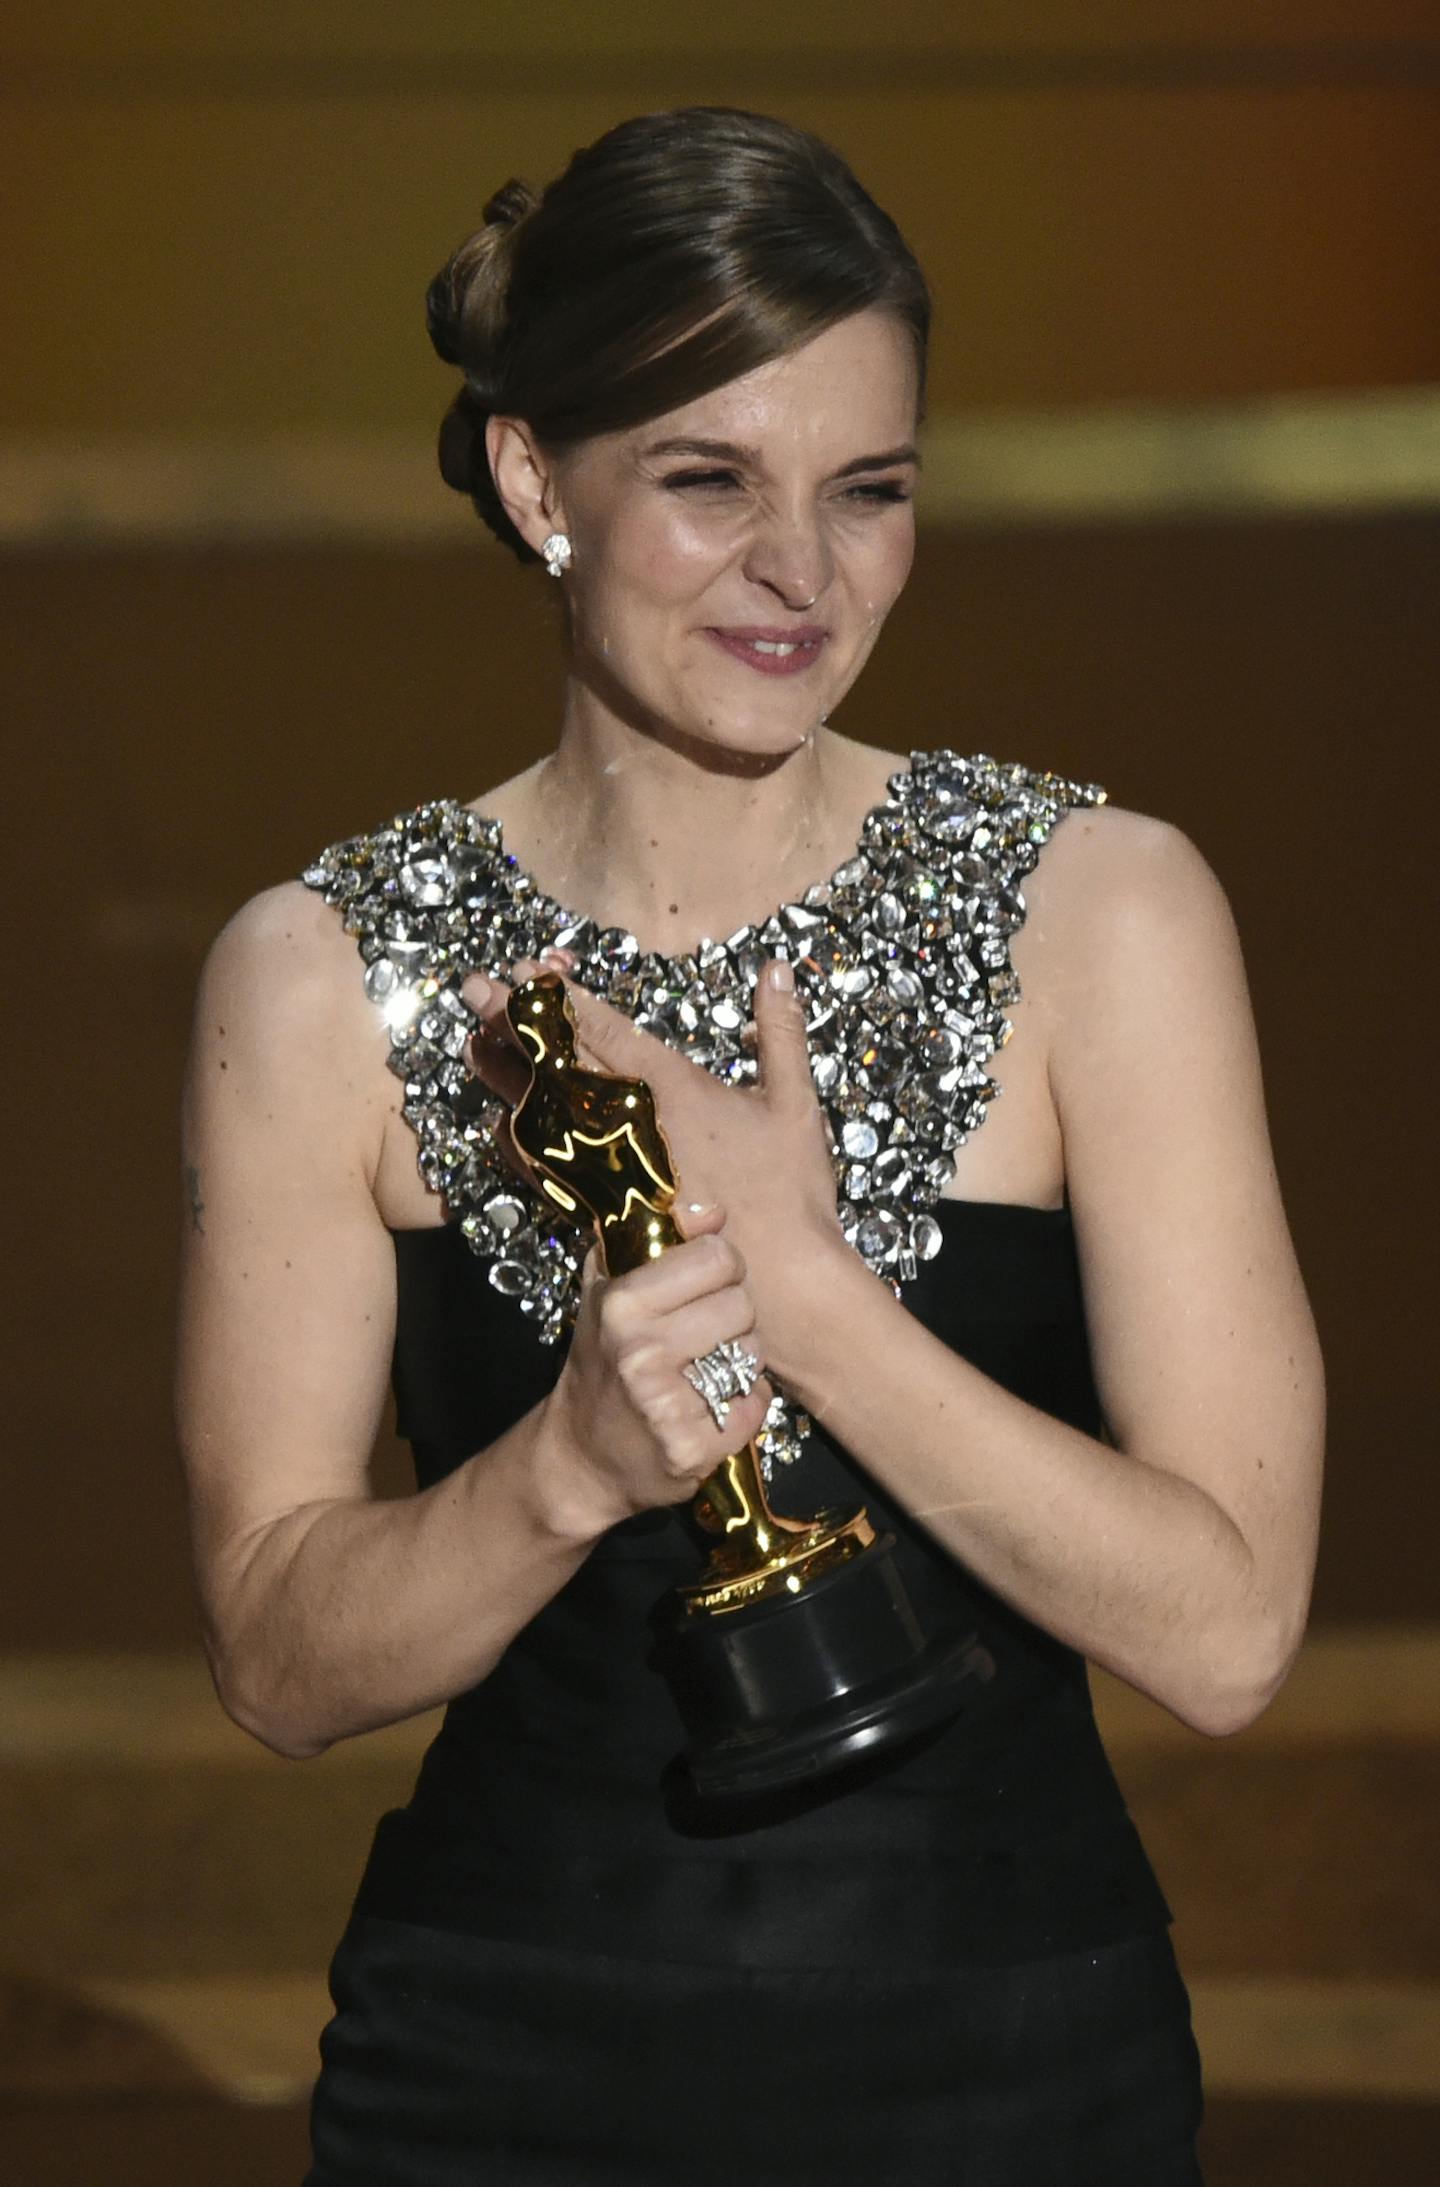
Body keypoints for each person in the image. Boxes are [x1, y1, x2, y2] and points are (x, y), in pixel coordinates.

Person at [176, 107, 1324, 2185]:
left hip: (1017, 2066)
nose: (804, 571)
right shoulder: (323, 971)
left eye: (867, 490)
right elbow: (273, 1652)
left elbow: (1229, 1632)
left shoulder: (1104, 911)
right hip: (494, 2066)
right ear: (538, 478)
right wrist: (564, 1467)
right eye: (711, 481)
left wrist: (809, 1297)